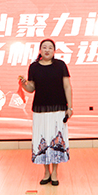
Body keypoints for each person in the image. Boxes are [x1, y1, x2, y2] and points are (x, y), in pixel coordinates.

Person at [18, 39, 73, 186]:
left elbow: (67, 86)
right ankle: (46, 172)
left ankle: (54, 172)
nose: (47, 50)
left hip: (58, 108)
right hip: (40, 109)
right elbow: (31, 88)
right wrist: (24, 85)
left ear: (54, 51)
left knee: (56, 140)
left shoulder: (60, 65)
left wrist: (70, 107)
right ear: (40, 50)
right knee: (42, 139)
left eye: (50, 47)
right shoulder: (34, 67)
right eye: (44, 47)